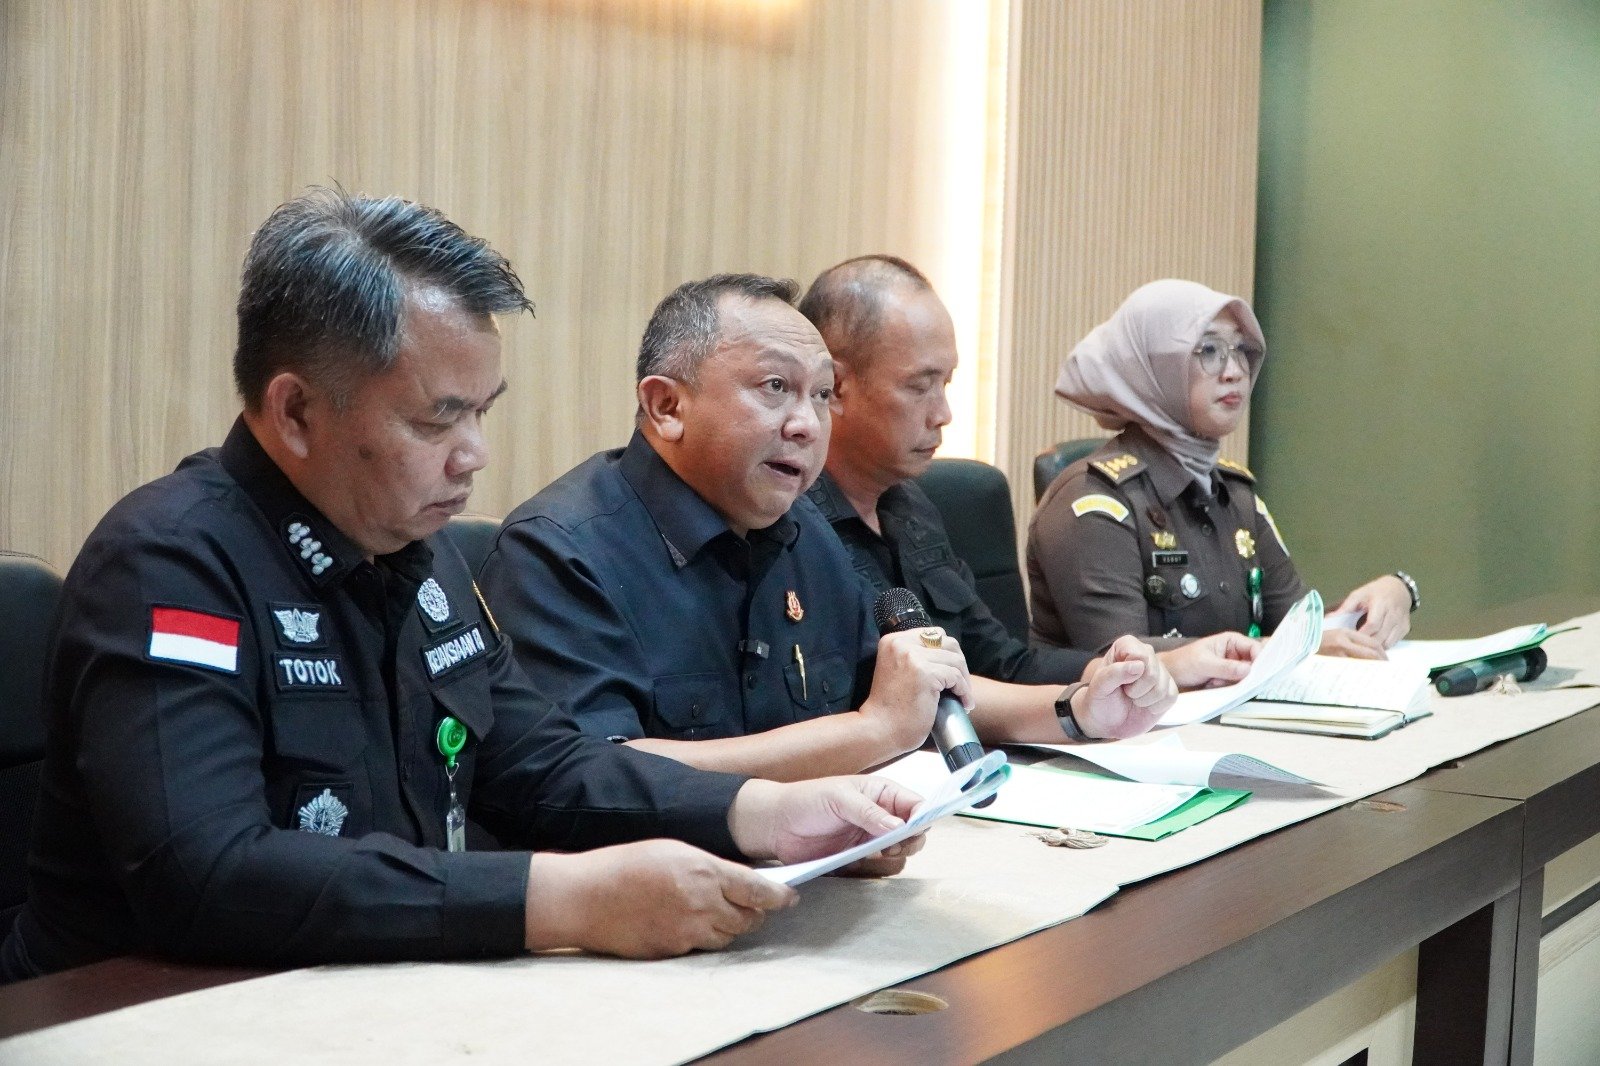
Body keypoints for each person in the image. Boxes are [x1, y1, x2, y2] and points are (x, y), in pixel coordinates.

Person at [0, 192, 925, 983]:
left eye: (483, 412)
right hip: (149, 1012)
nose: (475, 456)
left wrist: (762, 812)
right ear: (296, 410)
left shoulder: (418, 548)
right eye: (436, 421)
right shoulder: (170, 562)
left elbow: (540, 764)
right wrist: (559, 898)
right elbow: (207, 875)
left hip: (385, 992)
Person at [479, 274, 1173, 782]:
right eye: (774, 388)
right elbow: (595, 777)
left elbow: (910, 691)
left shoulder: (801, 531)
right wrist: (864, 740)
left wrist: (1075, 710)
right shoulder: (560, 549)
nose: (807, 425)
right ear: (666, 407)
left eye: (819, 395)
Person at [797, 256, 1257, 746]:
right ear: (836, 388)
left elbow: (1002, 663)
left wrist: (1128, 670)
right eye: (919, 386)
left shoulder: (909, 509)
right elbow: (894, 700)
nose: (944, 413)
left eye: (946, 384)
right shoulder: (792, 527)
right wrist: (1076, 711)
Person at [1027, 278, 1419, 658]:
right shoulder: (1091, 499)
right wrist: (1290, 648)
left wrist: (1393, 594)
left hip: (1234, 704)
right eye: (1209, 350)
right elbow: (1121, 662)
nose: (1235, 371)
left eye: (1241, 349)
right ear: (1153, 368)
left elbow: (1297, 627)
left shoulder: (1234, 494)